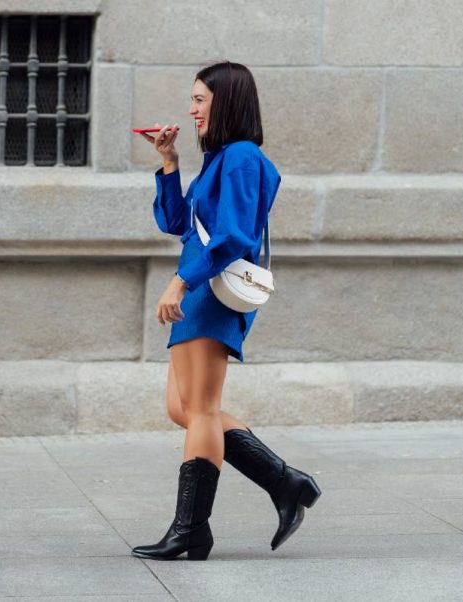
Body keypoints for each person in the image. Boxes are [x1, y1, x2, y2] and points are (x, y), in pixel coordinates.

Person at [130, 61, 322, 562]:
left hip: (211, 291)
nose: (191, 110)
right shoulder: (218, 160)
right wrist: (169, 163)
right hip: (198, 289)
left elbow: (236, 236)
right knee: (186, 409)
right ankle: (285, 482)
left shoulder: (241, 158)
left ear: (226, 101)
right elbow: (177, 222)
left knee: (203, 410)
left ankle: (191, 529)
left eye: (199, 100)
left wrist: (180, 280)